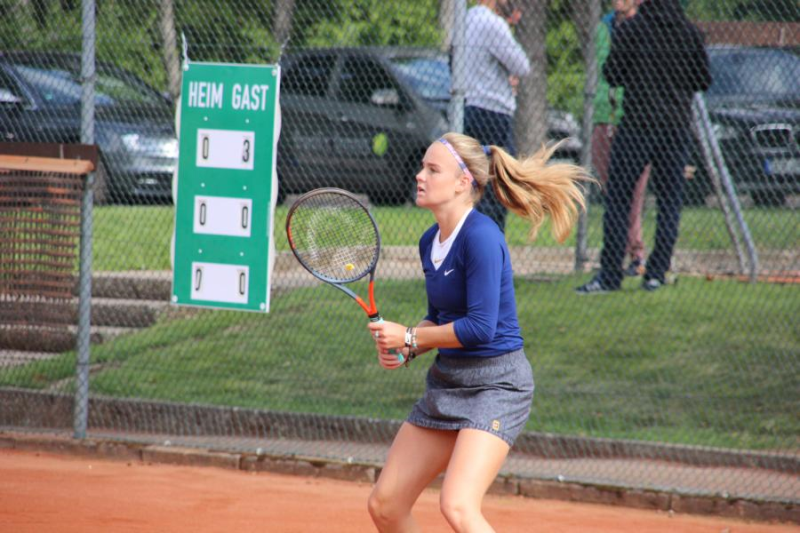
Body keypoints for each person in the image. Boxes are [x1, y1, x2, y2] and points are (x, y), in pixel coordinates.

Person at [366, 133, 591, 532]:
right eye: (422, 167)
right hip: (448, 382)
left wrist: (411, 338)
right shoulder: (429, 242)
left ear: (462, 182)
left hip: (497, 386)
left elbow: (480, 328)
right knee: (386, 505)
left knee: (457, 505)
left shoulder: (482, 237)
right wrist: (407, 348)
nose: (419, 176)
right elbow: (438, 317)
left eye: (432, 169)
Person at [576, 0, 711, 294]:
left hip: (637, 125)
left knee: (618, 198)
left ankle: (610, 275)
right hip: (675, 127)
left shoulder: (633, 29)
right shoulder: (689, 33)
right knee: (669, 201)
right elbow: (703, 80)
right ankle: (656, 272)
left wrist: (639, 73)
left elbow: (612, 73)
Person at [592, 0, 650, 277]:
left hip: (634, 118)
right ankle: (615, 256)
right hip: (604, 116)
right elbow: (604, 69)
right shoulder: (604, 28)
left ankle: (636, 254)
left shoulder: (648, 26)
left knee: (634, 193)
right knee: (613, 193)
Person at [463, 0, 531, 232]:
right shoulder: (492, 23)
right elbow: (522, 65)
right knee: (496, 185)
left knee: (476, 182)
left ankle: (474, 241)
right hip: (493, 112)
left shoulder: (467, 18)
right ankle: (490, 244)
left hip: (470, 107)